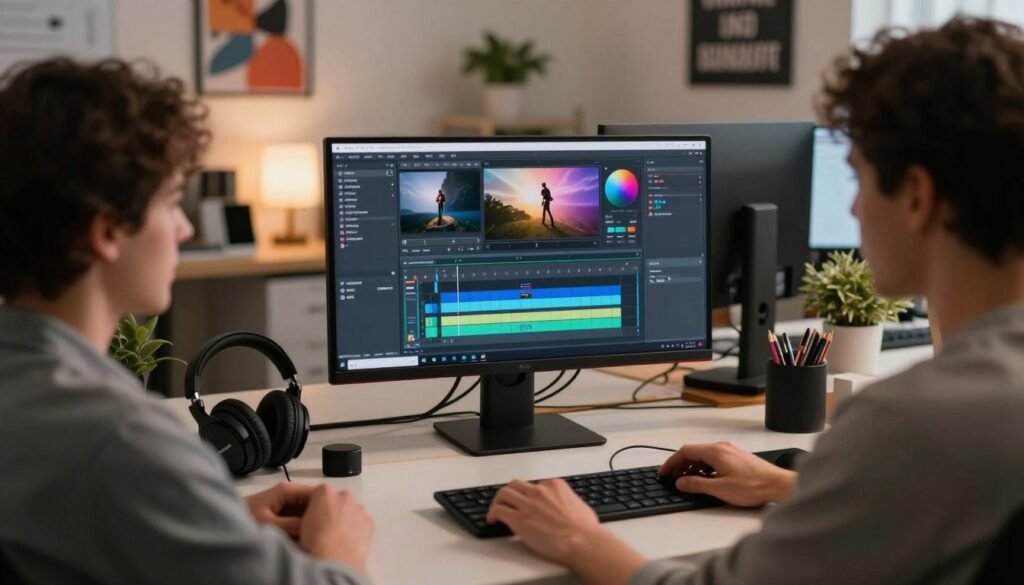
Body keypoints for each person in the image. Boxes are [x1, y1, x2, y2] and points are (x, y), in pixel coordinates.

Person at [486, 16, 1024, 585]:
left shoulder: (913, 421)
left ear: (916, 196)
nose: (854, 211)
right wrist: (792, 483)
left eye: (859, 181)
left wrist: (579, 538)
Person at [0, 58, 374, 584]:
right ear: (107, 232)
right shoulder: (124, 440)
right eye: (173, 201)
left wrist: (209, 523)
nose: (186, 227)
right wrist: (339, 548)